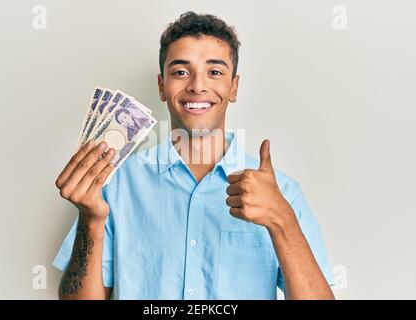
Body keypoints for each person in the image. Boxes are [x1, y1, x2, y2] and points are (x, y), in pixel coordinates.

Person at [53, 12, 335, 300]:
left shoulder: (282, 192)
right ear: (162, 86)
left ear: (234, 87)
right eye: (181, 72)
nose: (197, 86)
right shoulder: (116, 182)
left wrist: (282, 221)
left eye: (214, 72)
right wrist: (90, 219)